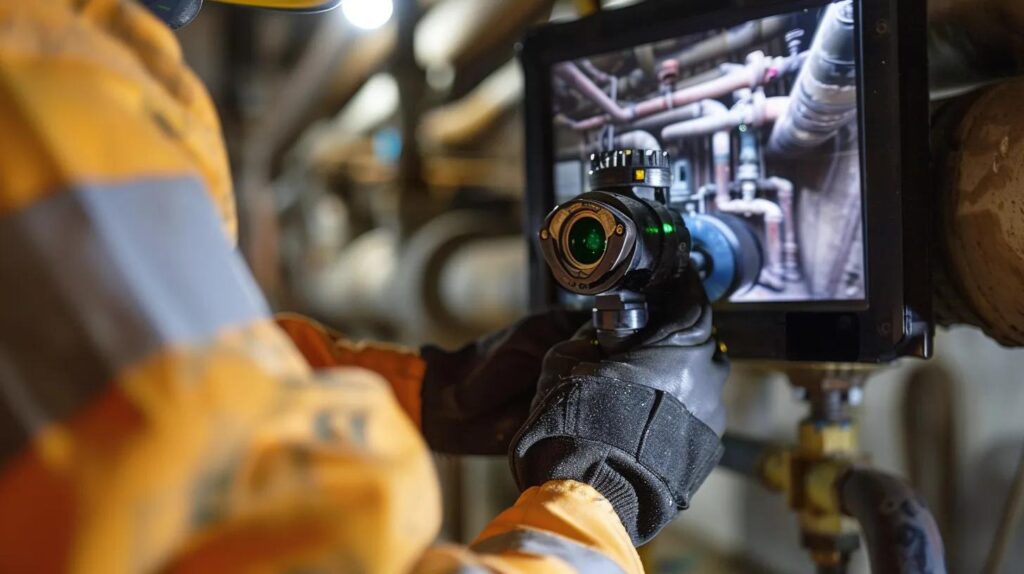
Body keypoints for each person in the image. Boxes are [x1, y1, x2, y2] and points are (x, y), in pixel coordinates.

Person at [0, 1, 728, 572]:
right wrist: (605, 491)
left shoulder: (71, 63)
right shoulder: (40, 92)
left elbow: (179, 371)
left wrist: (435, 395)